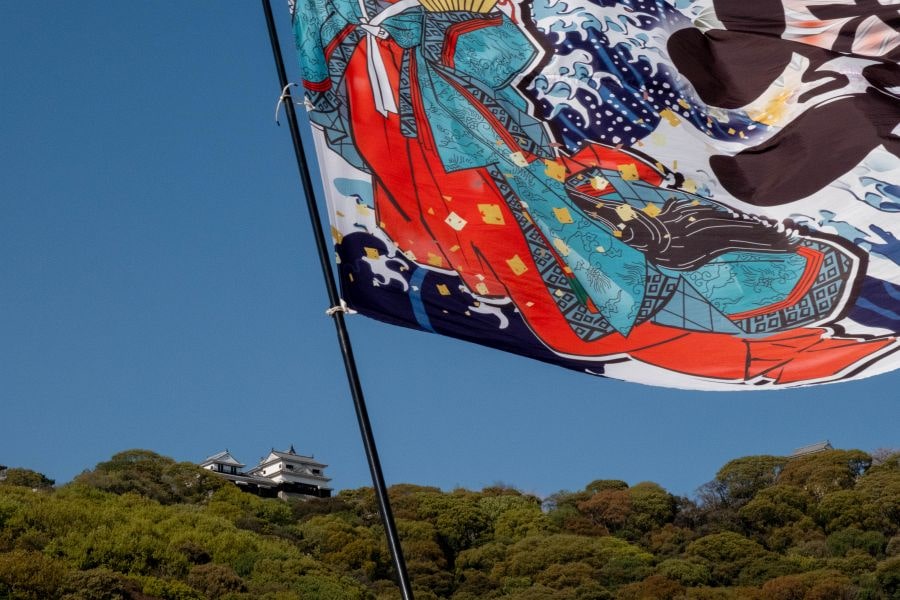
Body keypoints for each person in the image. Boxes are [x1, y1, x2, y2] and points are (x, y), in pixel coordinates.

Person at [291, 0, 895, 384]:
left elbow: (501, 53)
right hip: (466, 165)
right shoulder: (377, 49)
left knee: (577, 252)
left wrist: (454, 23)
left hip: (489, 158)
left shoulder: (410, 41)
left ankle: (755, 329)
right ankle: (737, 329)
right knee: (553, 255)